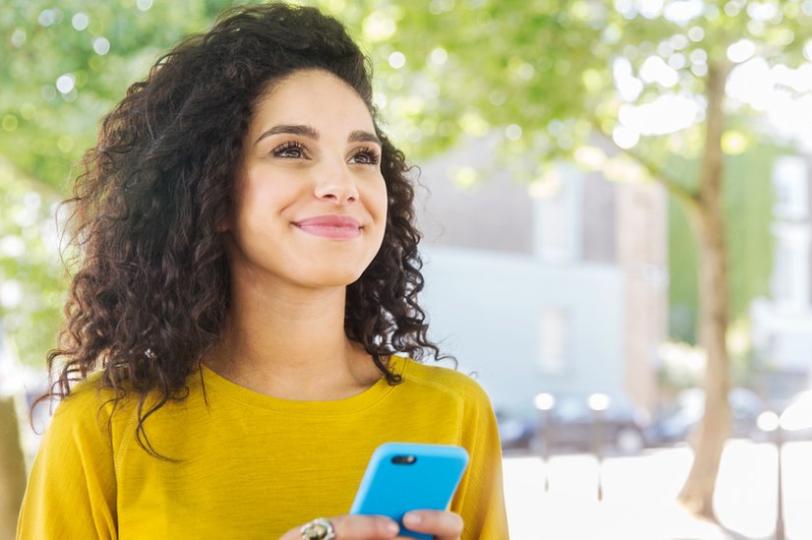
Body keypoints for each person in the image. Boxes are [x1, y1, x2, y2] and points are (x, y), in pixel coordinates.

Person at [15, 4, 508, 539]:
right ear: (213, 192)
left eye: (362, 156)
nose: (341, 184)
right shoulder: (104, 427)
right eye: (291, 149)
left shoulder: (451, 414)